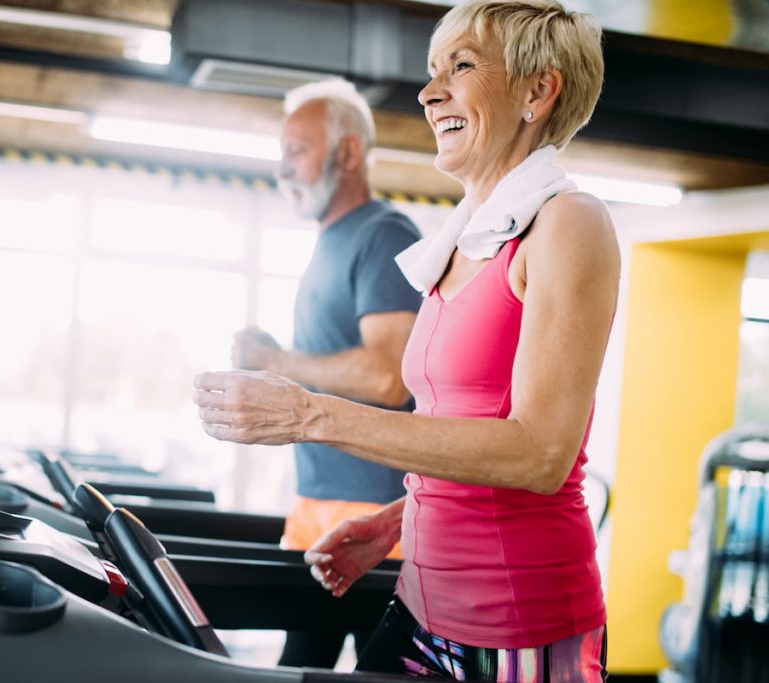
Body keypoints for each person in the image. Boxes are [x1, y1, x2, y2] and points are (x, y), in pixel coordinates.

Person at [194, 1, 618, 679]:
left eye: (462, 65)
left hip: (517, 630)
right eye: (432, 71)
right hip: (419, 604)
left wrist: (307, 412)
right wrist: (400, 516)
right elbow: (463, 426)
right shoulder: (461, 242)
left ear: (538, 91)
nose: (428, 92)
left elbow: (540, 452)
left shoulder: (569, 224)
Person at [232, 79, 424, 669]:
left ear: (347, 153)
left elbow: (390, 376)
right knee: (300, 662)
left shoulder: (383, 235)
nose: (283, 169)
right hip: (317, 499)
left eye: (297, 151)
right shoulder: (330, 243)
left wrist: (276, 362)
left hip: (369, 513)